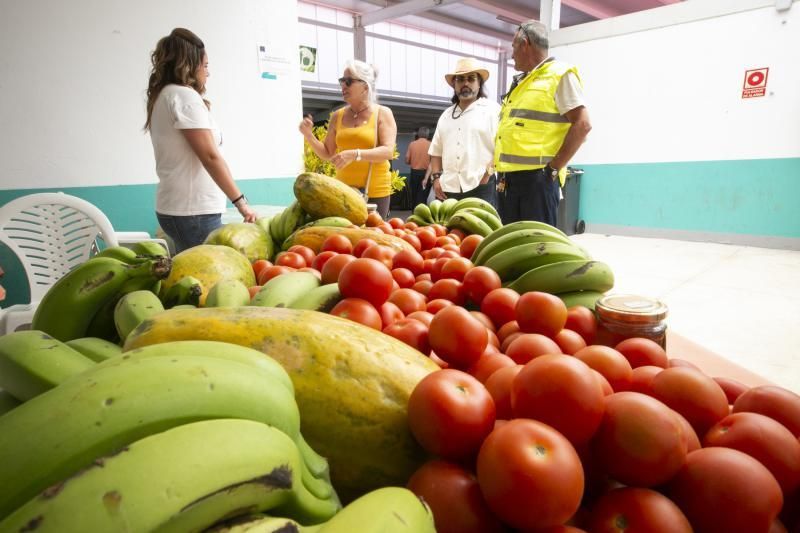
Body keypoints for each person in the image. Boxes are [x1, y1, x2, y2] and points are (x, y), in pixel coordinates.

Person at [144, 28, 256, 254]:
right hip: (193, 212)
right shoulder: (184, 97)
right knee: (211, 280)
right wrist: (242, 203)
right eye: (205, 65)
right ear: (188, 65)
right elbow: (210, 156)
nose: (208, 72)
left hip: (179, 208)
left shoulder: (164, 95)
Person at [495, 20, 592, 226]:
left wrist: (553, 170)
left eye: (513, 47)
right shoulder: (523, 82)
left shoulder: (559, 75)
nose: (511, 54)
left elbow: (582, 125)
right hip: (508, 181)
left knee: (536, 246)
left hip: (537, 181)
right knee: (510, 244)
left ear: (525, 44)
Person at [299, 59, 397, 219]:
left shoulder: (383, 113)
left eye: (348, 81)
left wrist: (354, 154)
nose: (343, 85)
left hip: (375, 191)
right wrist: (309, 135)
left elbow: (387, 151)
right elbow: (327, 153)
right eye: (341, 81)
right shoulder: (337, 116)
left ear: (365, 86)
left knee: (373, 240)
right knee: (346, 239)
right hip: (343, 192)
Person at [427, 57, 500, 206]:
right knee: (446, 228)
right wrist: (435, 179)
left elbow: (502, 147)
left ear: (479, 83)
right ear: (454, 85)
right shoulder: (446, 115)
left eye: (471, 79)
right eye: (460, 79)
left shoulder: (493, 110)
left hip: (481, 185)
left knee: (480, 229)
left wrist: (487, 174)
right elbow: (436, 152)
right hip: (448, 189)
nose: (465, 83)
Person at [405, 127, 431, 207]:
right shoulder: (431, 144)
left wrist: (414, 161)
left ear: (418, 134)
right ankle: (422, 213)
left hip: (414, 173)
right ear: (427, 135)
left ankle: (414, 214)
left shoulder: (412, 144)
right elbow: (432, 163)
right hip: (426, 174)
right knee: (423, 197)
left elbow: (406, 159)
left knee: (414, 196)